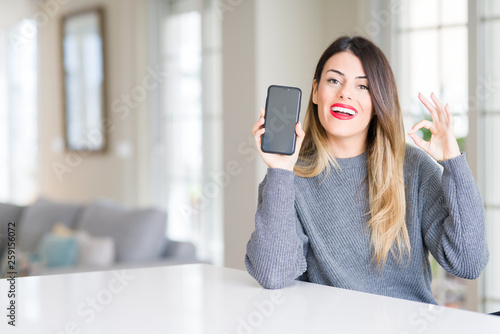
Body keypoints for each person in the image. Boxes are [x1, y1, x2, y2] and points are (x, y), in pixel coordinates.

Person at [245, 35, 489, 304]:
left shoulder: (414, 168)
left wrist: (453, 163)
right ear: (316, 91)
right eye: (334, 80)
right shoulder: (291, 176)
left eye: (363, 86)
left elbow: (468, 264)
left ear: (377, 102)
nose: (345, 93)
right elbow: (272, 275)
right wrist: (280, 171)